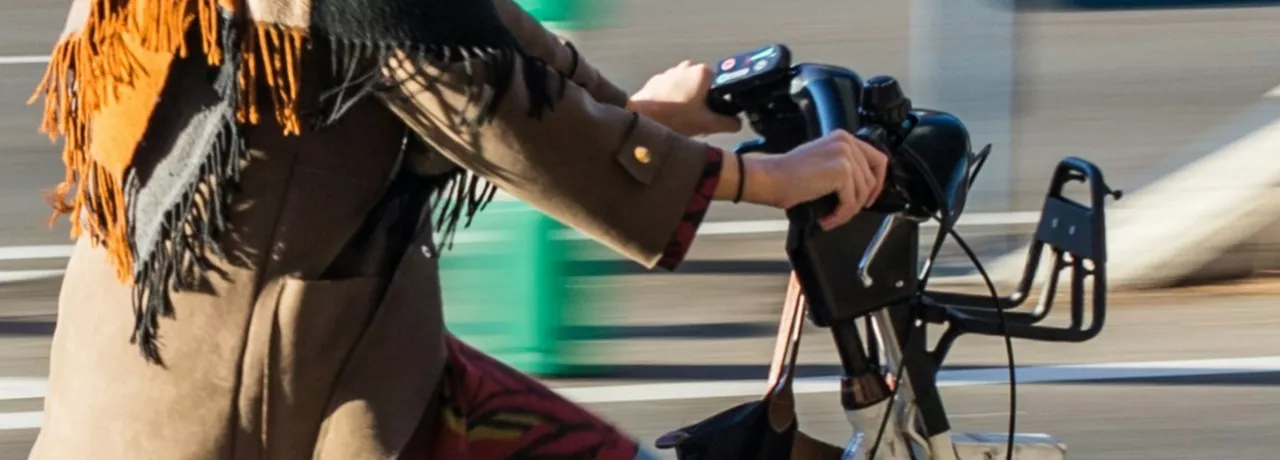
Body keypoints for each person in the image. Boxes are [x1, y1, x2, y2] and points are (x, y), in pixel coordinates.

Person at [27, 0, 888, 458]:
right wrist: (755, 178)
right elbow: (482, 104)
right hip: (259, 405)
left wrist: (630, 112)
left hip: (161, 361)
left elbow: (472, 33)